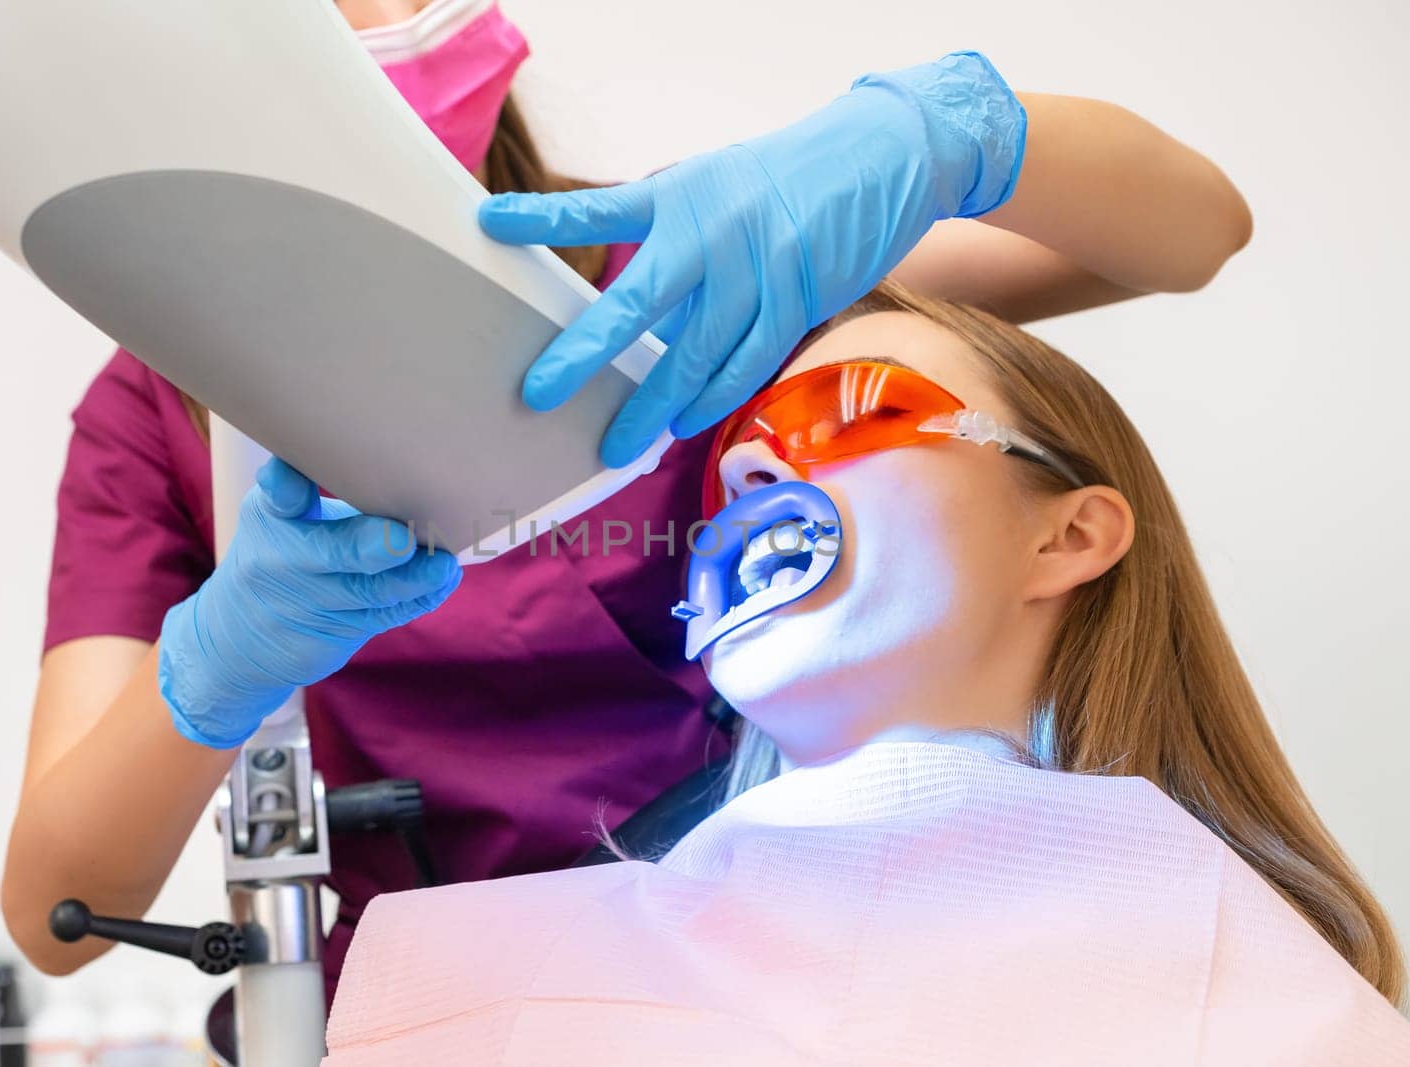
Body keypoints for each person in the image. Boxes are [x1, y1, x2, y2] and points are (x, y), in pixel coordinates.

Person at [0, 0, 1255, 1011]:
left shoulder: (670, 272)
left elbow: (1190, 236)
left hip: (754, 957)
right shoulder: (166, 408)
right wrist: (219, 663)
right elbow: (54, 907)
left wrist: (942, 131)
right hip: (421, 1001)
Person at [320, 281, 1410, 1065]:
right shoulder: (493, 976)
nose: (746, 465)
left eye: (847, 410)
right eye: (739, 457)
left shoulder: (1269, 996)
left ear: (1066, 536)